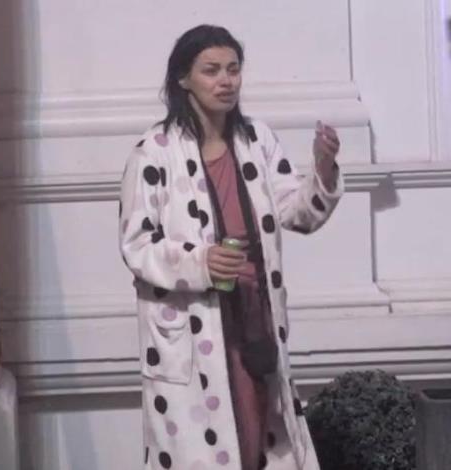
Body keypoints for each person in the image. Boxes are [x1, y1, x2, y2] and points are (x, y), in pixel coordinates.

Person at [118, 25, 342, 470]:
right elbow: (137, 244)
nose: (226, 81)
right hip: (193, 332)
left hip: (256, 318)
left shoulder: (256, 140)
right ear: (183, 78)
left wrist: (323, 169)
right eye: (212, 70)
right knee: (207, 451)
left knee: (260, 439)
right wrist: (200, 262)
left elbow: (299, 213)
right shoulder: (153, 153)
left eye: (233, 69)